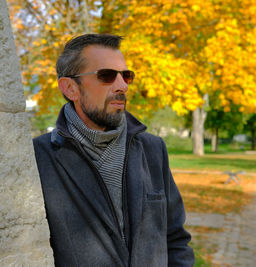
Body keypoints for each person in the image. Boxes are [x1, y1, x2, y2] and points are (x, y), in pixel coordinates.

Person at [33, 33, 195, 267]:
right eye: (107, 76)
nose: (122, 86)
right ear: (70, 88)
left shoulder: (152, 149)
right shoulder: (40, 158)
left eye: (126, 76)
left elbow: (175, 239)